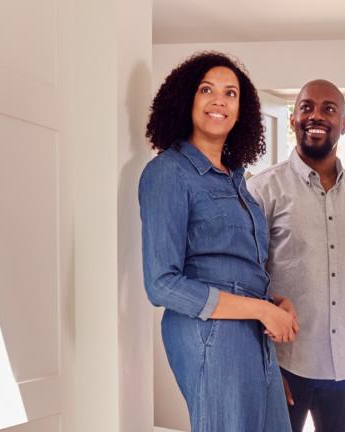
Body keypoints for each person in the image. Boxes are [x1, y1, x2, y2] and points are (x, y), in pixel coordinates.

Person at [139, 51, 297, 432]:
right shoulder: (169, 173)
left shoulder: (236, 180)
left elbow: (236, 265)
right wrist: (261, 311)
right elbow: (162, 284)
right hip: (211, 333)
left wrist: (274, 303)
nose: (219, 101)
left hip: (250, 330)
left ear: (241, 110)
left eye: (231, 94)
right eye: (206, 89)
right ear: (186, 99)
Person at [247, 79, 345, 432]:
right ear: (292, 119)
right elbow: (247, 283)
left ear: (343, 124)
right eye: (306, 107)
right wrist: (265, 368)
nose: (316, 115)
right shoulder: (262, 191)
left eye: (329, 108)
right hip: (284, 365)